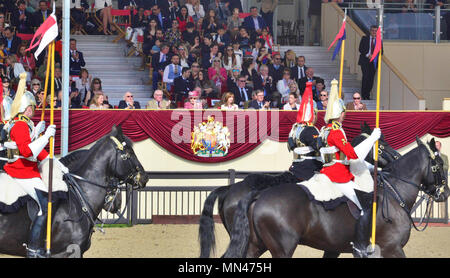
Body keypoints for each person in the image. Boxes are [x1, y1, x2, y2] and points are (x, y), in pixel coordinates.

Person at [319, 78, 381, 258]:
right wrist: (371, 139)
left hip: (327, 170)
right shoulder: (336, 131)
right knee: (363, 206)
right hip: (337, 174)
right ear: (339, 114)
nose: (345, 115)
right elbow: (352, 154)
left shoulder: (325, 130)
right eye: (343, 112)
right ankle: (360, 244)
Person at [2, 73, 61, 257]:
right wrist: (44, 137)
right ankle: (34, 248)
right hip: (22, 172)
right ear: (24, 108)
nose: (33, 110)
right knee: (46, 206)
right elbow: (28, 152)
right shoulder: (19, 125)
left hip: (27, 169)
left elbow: (35, 149)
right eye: (30, 108)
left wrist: (53, 160)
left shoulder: (24, 124)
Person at [287, 82, 322, 181]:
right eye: (314, 114)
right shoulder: (311, 129)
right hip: (309, 167)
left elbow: (291, 145)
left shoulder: (295, 127)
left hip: (296, 164)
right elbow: (319, 148)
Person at [358, 25, 378, 100]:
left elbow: (381, 51)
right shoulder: (364, 38)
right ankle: (363, 94)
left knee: (371, 78)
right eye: (372, 30)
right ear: (370, 31)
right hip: (365, 61)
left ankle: (367, 94)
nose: (374, 32)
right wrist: (368, 55)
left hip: (374, 62)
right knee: (365, 76)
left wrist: (374, 55)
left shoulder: (379, 40)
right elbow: (360, 49)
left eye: (375, 31)